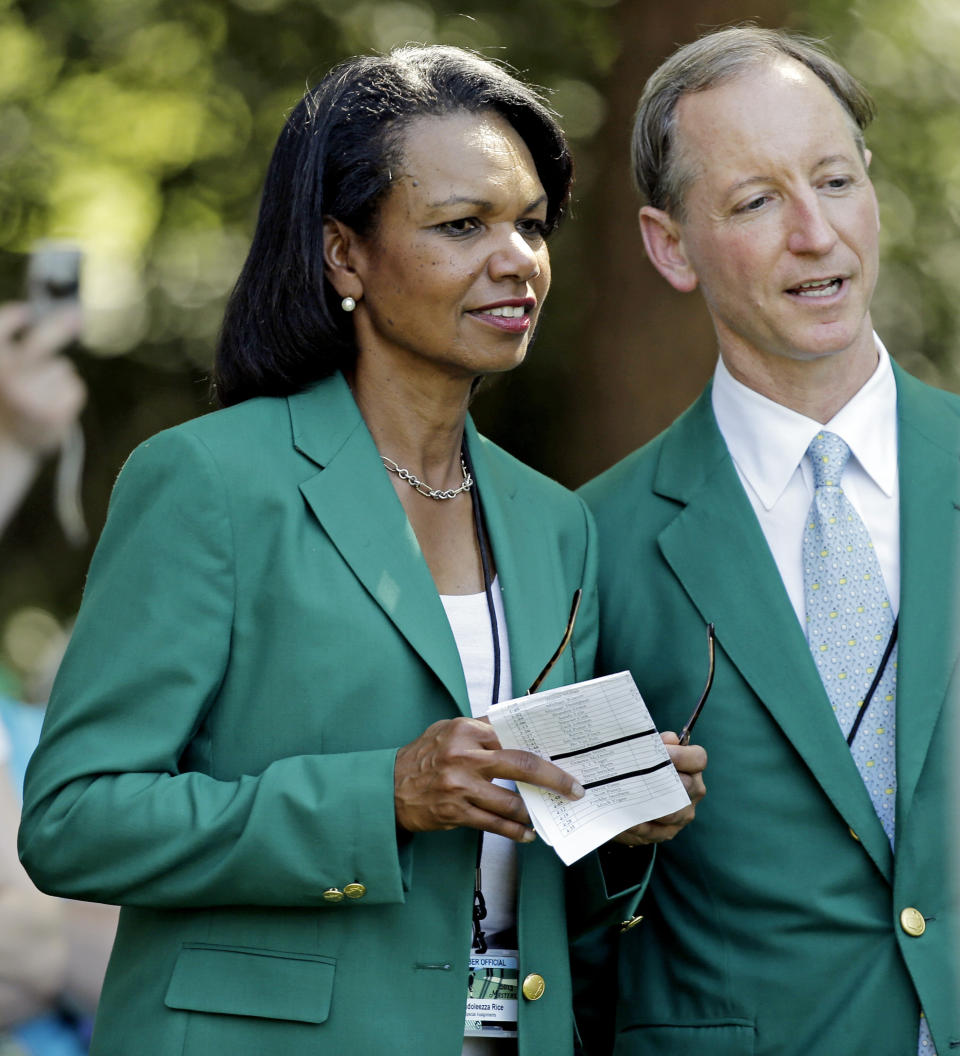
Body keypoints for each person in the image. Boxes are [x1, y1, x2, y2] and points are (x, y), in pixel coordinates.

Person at [17, 46, 706, 1056]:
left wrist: (618, 816)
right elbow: (75, 821)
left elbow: (540, 874)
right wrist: (377, 797)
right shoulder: (209, 483)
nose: (516, 257)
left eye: (529, 224)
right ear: (344, 254)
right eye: (463, 226)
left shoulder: (558, 522)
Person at [580, 25, 959, 1056]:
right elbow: (564, 913)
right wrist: (618, 830)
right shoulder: (591, 543)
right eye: (755, 201)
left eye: (834, 181)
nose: (815, 233)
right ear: (670, 246)